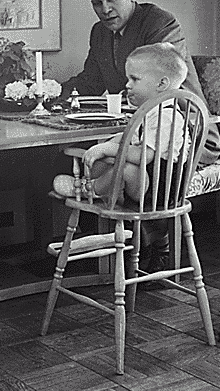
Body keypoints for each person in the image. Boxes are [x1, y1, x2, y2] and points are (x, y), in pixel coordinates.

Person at [60, 0, 220, 166]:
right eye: (97, 3)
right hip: (136, 131)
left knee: (93, 161)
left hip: (180, 137)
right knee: (61, 158)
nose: (105, 9)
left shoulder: (159, 23)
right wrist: (50, 94)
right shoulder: (100, 32)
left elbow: (160, 88)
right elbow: (91, 82)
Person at [54, 43, 192, 277]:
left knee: (126, 167)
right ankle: (94, 183)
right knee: (105, 157)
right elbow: (131, 135)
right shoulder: (150, 110)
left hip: (161, 189)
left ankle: (92, 189)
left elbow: (144, 155)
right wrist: (110, 144)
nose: (127, 84)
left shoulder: (167, 117)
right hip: (148, 183)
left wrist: (110, 148)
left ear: (162, 84)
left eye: (135, 79)